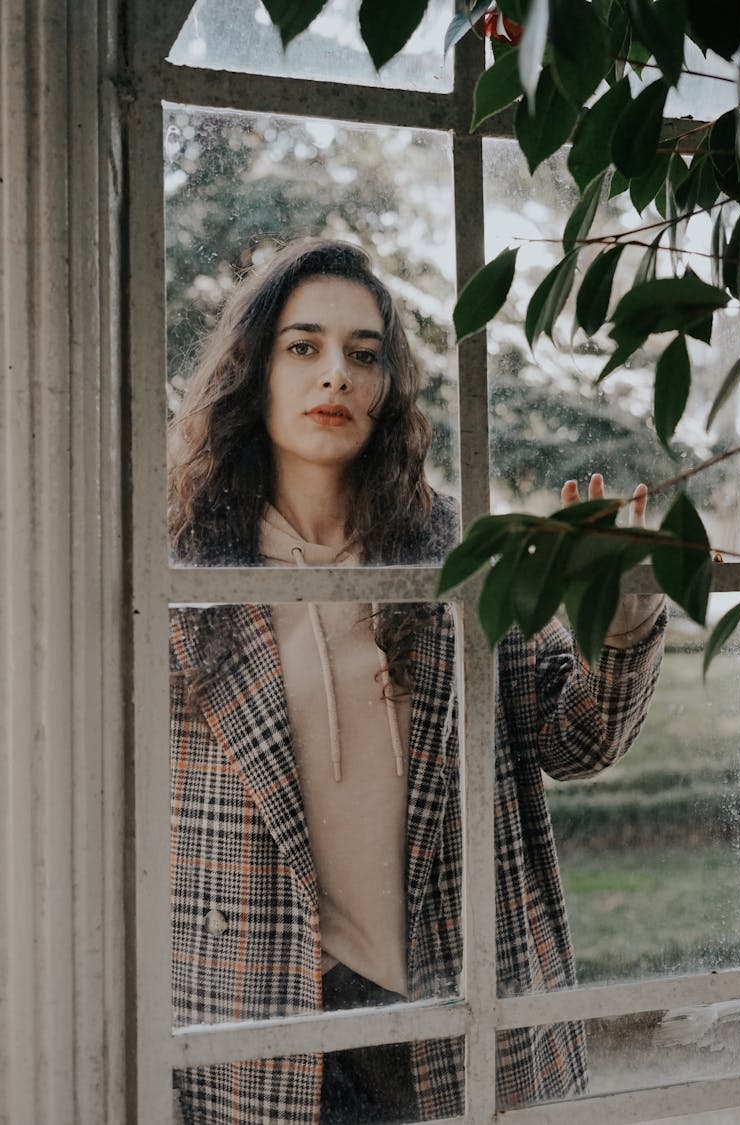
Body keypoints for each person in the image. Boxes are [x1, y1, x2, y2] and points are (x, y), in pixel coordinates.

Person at [168, 239, 666, 1124]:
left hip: (460, 1000)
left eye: (366, 354)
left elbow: (574, 736)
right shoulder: (186, 576)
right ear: (255, 370)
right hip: (256, 1024)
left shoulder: (458, 552)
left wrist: (618, 618)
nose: (337, 377)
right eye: (303, 346)